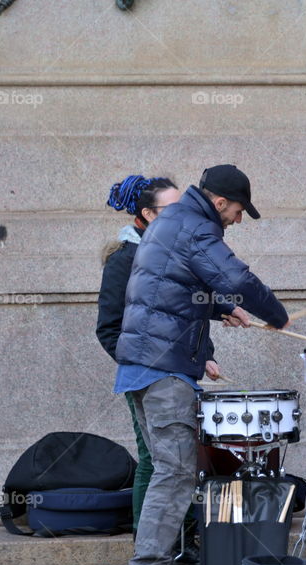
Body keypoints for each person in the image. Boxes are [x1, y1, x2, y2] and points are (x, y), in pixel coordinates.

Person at [117, 164, 289, 565]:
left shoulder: (172, 221)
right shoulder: (196, 227)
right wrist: (276, 314)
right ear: (219, 202)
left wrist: (217, 308)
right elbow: (236, 278)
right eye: (236, 211)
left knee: (167, 471)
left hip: (147, 362)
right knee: (173, 473)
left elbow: (168, 288)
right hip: (163, 367)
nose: (237, 219)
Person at [96, 174, 180, 539]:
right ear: (146, 213)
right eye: (173, 210)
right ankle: (146, 544)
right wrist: (143, 363)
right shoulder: (124, 260)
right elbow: (108, 328)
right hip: (145, 374)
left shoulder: (170, 252)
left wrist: (201, 354)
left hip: (175, 372)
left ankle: (172, 541)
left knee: (172, 462)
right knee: (153, 459)